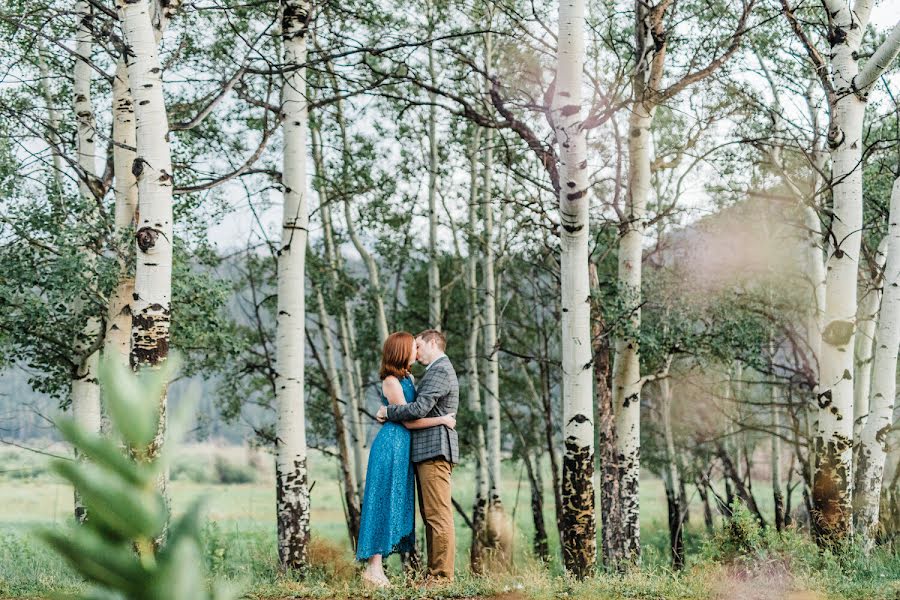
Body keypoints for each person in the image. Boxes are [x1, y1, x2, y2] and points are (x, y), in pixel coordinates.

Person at [357, 331, 456, 588]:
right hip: (392, 445)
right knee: (382, 500)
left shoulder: (413, 377)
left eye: (419, 346)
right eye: (413, 347)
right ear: (402, 351)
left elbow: (410, 413)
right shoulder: (392, 380)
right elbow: (410, 421)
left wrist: (388, 411)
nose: (417, 351)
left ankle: (434, 576)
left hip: (406, 448)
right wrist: (442, 420)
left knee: (398, 503)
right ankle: (374, 568)